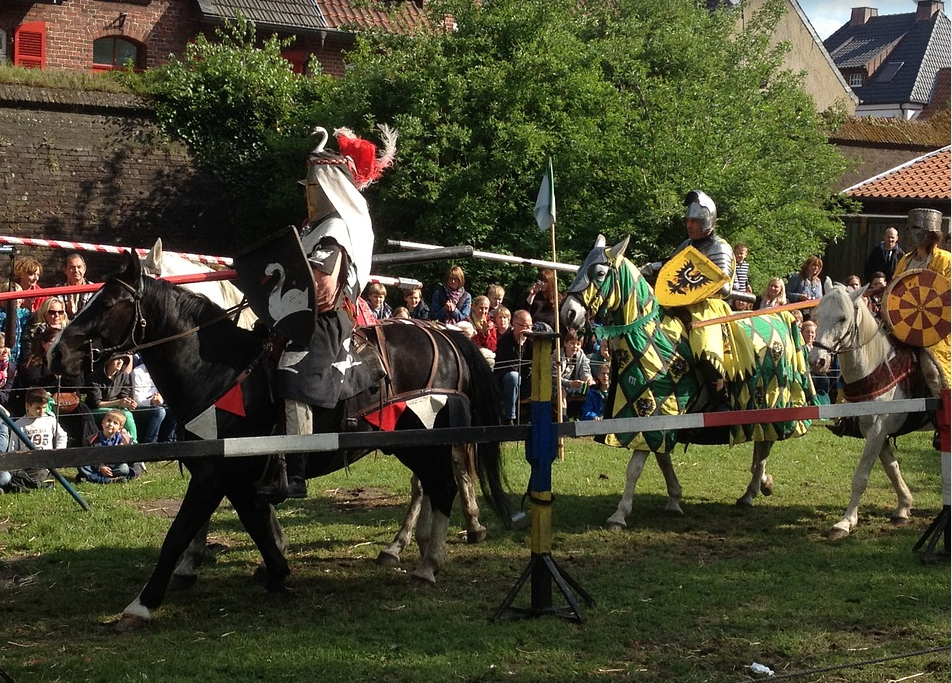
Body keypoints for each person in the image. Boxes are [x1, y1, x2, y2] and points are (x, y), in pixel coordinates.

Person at [271, 125, 396, 501]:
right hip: (295, 316)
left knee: (292, 373)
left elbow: (323, 293)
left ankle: (296, 470)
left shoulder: (335, 229)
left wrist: (284, 285)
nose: (307, 191)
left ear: (329, 188)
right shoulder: (314, 227)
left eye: (313, 185)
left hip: (323, 320)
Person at [892, 208, 951, 398]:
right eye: (911, 228)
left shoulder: (945, 260)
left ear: (931, 232)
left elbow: (947, 295)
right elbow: (894, 291)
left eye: (918, 228)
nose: (914, 233)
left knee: (931, 369)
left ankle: (942, 414)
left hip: (935, 330)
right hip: (902, 325)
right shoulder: (905, 261)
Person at [2, 387, 65, 492]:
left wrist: (58, 452)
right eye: (38, 408)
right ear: (28, 406)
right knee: (14, 476)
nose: (41, 411)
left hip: (45, 463)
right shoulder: (19, 424)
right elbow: (13, 446)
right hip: (26, 464)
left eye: (44, 408)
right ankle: (34, 483)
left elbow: (62, 436)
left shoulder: (50, 420)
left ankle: (23, 486)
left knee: (42, 473)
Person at [76, 409, 142, 484]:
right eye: (109, 420)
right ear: (103, 422)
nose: (110, 424)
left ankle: (93, 478)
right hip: (97, 466)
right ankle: (108, 480)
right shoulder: (92, 439)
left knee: (124, 468)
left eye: (115, 423)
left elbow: (132, 458)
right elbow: (89, 457)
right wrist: (100, 467)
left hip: (114, 467)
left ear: (120, 428)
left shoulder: (123, 439)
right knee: (82, 466)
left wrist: (127, 444)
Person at [86, 353, 138, 444]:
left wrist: (129, 403)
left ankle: (131, 442)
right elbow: (97, 403)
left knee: (127, 413)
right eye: (117, 359)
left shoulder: (124, 376)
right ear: (108, 361)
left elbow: (124, 395)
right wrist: (118, 403)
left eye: (122, 359)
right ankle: (133, 443)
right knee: (126, 414)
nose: (120, 362)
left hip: (117, 408)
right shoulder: (94, 377)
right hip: (97, 409)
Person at [493, 309, 533, 425]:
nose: (528, 330)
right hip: (505, 383)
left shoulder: (532, 341)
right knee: (513, 376)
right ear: (515, 325)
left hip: (526, 381)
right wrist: (520, 344)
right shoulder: (505, 342)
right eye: (525, 326)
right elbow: (512, 368)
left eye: (530, 326)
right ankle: (509, 418)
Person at [130, 354, 176, 444]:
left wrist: (161, 398)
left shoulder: (164, 371)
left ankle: (168, 443)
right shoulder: (137, 372)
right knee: (160, 411)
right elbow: (137, 401)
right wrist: (152, 401)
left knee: (175, 409)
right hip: (143, 407)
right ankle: (150, 443)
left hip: (160, 403)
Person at [18, 297, 69, 362]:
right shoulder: (34, 330)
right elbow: (28, 352)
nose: (57, 315)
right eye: (52, 312)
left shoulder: (68, 329)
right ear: (44, 313)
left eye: (60, 312)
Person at [555, 329, 593, 401]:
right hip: (559, 386)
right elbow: (554, 379)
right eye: (572, 343)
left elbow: (585, 370)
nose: (575, 346)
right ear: (565, 343)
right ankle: (563, 412)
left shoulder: (581, 354)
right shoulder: (557, 356)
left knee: (592, 390)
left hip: (576, 386)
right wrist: (570, 383)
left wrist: (587, 378)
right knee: (562, 394)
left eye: (578, 344)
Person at [56, 253, 96, 319]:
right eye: (72, 267)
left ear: (84, 269)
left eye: (79, 267)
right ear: (65, 270)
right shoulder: (57, 290)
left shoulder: (94, 289)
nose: (76, 271)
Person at [0, 282, 31, 367]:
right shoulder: (1, 315)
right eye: (13, 297)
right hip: (5, 355)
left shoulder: (24, 313)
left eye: (19, 297)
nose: (16, 300)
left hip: (19, 355)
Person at [731, 243, 752, 311]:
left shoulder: (746, 265)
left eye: (741, 253)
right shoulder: (733, 264)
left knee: (743, 304)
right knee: (734, 304)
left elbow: (745, 276)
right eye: (737, 253)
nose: (739, 255)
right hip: (734, 289)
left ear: (745, 255)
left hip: (743, 288)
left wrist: (747, 285)